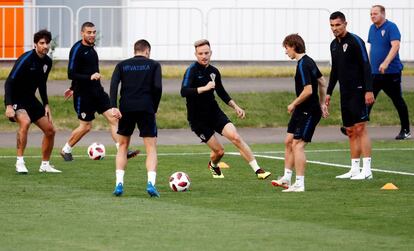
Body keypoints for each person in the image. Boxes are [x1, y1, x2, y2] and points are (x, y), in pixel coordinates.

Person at [181, 39, 271, 180]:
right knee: (219, 152)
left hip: (214, 113)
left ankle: (258, 170)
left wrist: (235, 106)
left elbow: (221, 92)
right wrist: (204, 88)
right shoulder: (191, 70)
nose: (204, 56)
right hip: (198, 119)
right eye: (200, 53)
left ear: (211, 53)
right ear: (195, 54)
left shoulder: (214, 72)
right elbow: (184, 91)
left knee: (235, 137)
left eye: (206, 53)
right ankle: (213, 165)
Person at [61, 22, 139, 161]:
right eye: (89, 32)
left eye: (94, 32)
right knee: (86, 126)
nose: (92, 35)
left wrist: (73, 86)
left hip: (97, 91)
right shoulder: (77, 49)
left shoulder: (92, 49)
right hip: (83, 95)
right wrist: (83, 81)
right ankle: (66, 149)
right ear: (82, 33)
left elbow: (82, 70)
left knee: (113, 118)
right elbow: (71, 73)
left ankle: (122, 150)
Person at [271, 34, 328, 192]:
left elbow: (308, 90)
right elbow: (322, 82)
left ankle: (299, 183)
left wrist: (293, 103)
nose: (286, 52)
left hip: (308, 111)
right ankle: (286, 178)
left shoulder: (303, 64)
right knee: (289, 141)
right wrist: (322, 103)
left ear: (294, 46)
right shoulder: (308, 61)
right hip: (302, 110)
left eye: (286, 48)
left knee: (298, 145)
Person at [326, 11, 375, 180]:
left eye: (338, 25)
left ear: (345, 24)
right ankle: (354, 168)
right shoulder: (333, 45)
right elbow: (335, 71)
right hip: (345, 93)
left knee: (361, 128)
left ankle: (367, 170)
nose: (335, 28)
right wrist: (328, 92)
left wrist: (369, 90)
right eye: (332, 25)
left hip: (359, 91)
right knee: (350, 130)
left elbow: (366, 66)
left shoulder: (355, 41)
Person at [4, 29, 61, 174]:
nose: (45, 46)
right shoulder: (26, 59)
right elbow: (9, 82)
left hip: (31, 99)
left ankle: (45, 165)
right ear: (35, 44)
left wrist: (46, 104)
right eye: (42, 43)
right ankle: (20, 162)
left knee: (50, 130)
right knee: (25, 122)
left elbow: (42, 84)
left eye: (47, 43)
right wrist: (9, 105)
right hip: (16, 99)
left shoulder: (47, 62)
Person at [110, 39, 162, 197]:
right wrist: (155, 107)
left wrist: (114, 106)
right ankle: (150, 184)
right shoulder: (154, 65)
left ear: (135, 51)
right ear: (147, 51)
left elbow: (113, 85)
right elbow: (157, 87)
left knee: (123, 146)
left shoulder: (122, 65)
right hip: (146, 107)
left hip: (126, 108)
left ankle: (119, 184)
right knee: (151, 148)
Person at [368, 5, 411, 140]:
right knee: (368, 100)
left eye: (375, 13)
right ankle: (356, 128)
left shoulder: (391, 27)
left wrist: (386, 62)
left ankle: (406, 130)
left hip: (391, 73)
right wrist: (368, 66)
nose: (372, 16)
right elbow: (372, 48)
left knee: (398, 100)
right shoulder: (372, 28)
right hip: (375, 73)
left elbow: (396, 46)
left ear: (383, 14)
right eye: (371, 14)